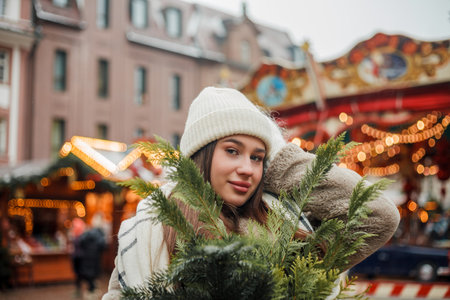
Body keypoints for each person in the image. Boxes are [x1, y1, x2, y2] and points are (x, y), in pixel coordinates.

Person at [102, 87, 400, 299]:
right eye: (232, 151)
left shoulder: (285, 231)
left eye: (257, 157)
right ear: (200, 156)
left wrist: (280, 161)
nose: (247, 168)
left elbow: (379, 215)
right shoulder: (148, 233)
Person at [72, 218, 106, 299]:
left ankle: (84, 291)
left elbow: (81, 241)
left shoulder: (87, 233)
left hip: (85, 258)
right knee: (90, 277)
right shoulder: (100, 234)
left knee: (82, 275)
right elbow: (103, 246)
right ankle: (91, 291)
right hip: (94, 259)